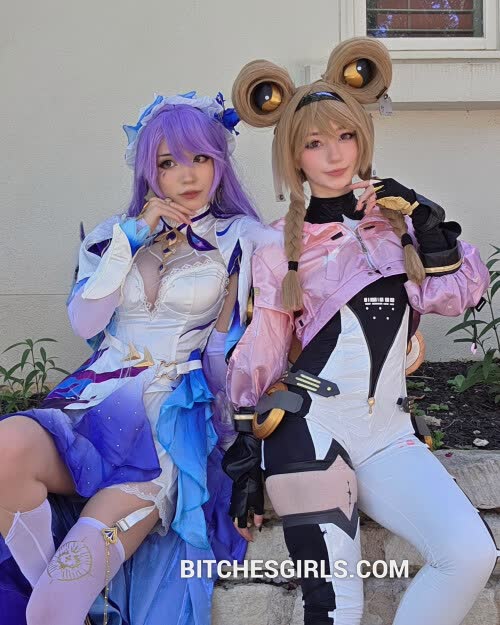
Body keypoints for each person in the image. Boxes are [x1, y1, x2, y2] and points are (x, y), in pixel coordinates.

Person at [222, 37, 499, 625]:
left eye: (346, 136)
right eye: (314, 143)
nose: (334, 154)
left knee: (470, 553)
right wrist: (245, 458)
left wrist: (426, 222)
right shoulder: (273, 247)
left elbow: (458, 294)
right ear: (293, 156)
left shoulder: (394, 229)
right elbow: (261, 352)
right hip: (306, 429)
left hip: (387, 432)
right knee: (336, 604)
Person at [0, 90, 272, 625]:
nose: (186, 175)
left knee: (53, 607)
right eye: (168, 163)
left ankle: (62, 601)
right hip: (91, 410)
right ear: (148, 170)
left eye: (200, 158)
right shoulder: (113, 235)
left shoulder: (240, 237)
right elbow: (86, 323)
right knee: (5, 446)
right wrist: (131, 238)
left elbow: (300, 266)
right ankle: (65, 600)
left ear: (220, 161)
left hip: (164, 429)